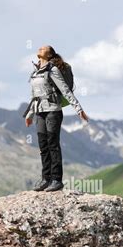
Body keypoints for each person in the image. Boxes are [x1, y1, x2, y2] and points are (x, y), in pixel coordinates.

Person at [24, 45, 89, 192]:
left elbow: (65, 90)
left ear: (49, 55)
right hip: (39, 112)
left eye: (44, 48)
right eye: (40, 47)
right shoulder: (35, 72)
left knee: (53, 144)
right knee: (43, 146)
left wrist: (79, 109)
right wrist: (29, 114)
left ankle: (56, 180)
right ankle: (45, 179)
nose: (40, 48)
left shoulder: (52, 70)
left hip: (53, 111)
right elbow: (33, 96)